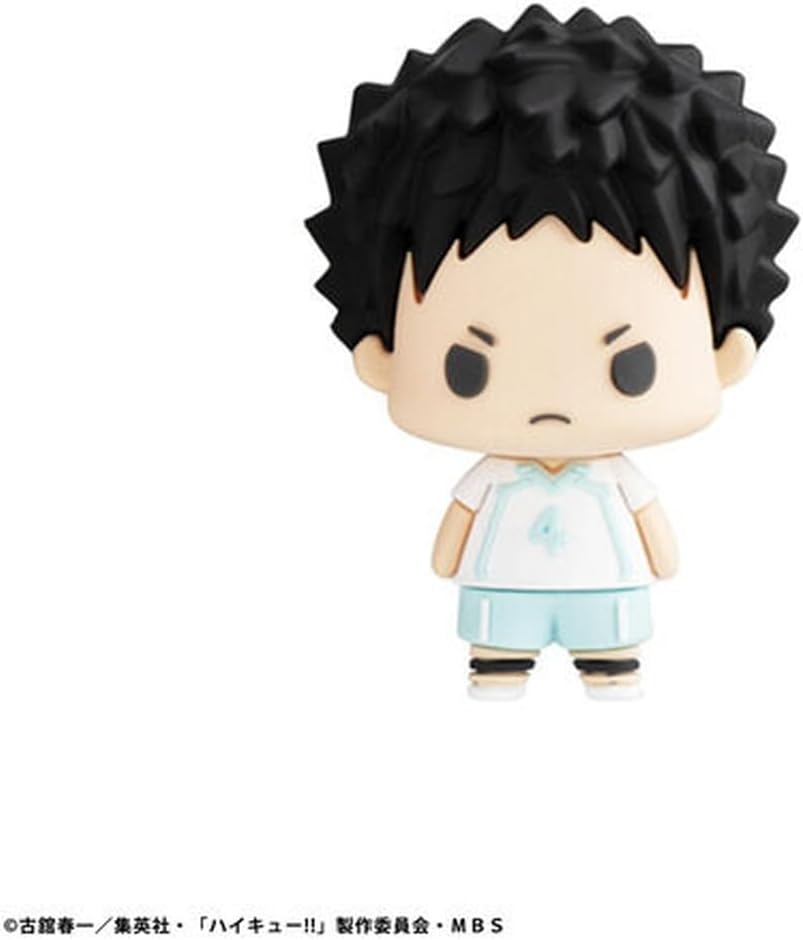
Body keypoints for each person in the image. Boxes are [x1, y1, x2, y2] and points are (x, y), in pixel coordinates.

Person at [306, 6, 797, 699]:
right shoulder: (502, 478)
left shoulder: (609, 479)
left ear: (725, 351)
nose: (551, 400)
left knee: (611, 670)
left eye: (630, 366)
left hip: (605, 596)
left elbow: (652, 547)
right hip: (502, 596)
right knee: (498, 670)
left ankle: (606, 681)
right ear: (380, 353)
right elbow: (653, 552)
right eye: (468, 368)